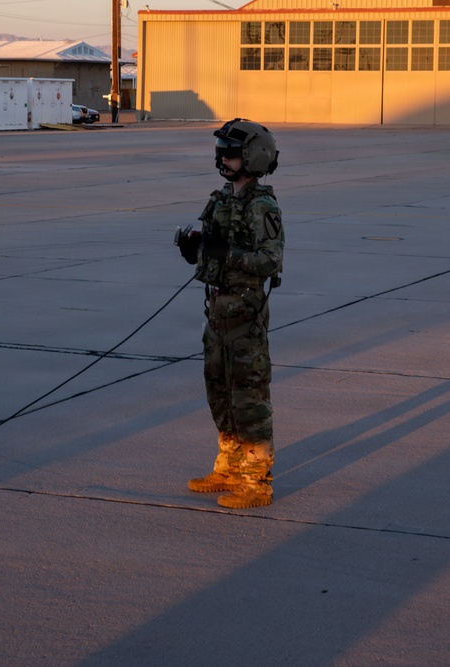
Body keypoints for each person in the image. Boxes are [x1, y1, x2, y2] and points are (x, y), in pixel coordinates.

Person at [175, 118, 283, 509]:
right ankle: (230, 466)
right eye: (221, 151)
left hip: (244, 314)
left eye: (231, 153)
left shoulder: (262, 206)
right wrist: (196, 250)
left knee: (248, 398)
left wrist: (228, 255)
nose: (223, 158)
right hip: (218, 310)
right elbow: (211, 248)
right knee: (218, 392)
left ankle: (257, 482)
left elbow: (270, 261)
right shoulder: (221, 199)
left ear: (253, 157)